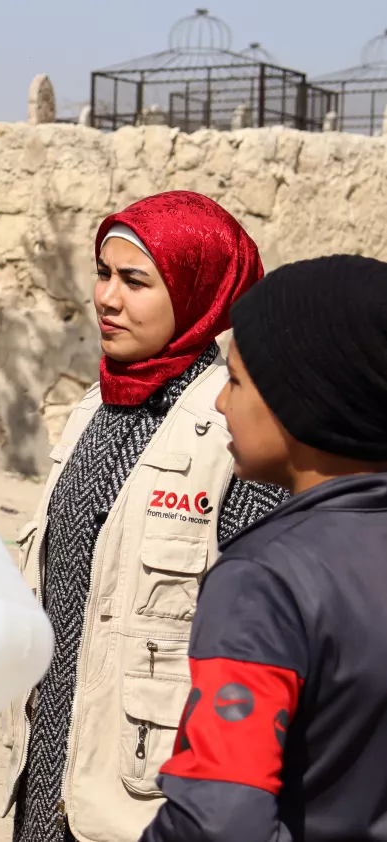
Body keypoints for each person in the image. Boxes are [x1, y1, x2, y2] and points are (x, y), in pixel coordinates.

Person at [3, 191, 289, 842]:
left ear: (199, 292)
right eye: (102, 274)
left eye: (134, 281)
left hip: (151, 800)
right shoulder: (89, 410)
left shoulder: (232, 431)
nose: (106, 298)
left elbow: (256, 642)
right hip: (50, 778)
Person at [139, 254, 387, 842]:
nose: (222, 403)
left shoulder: (268, 580)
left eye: (236, 380)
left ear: (302, 398)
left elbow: (218, 821)